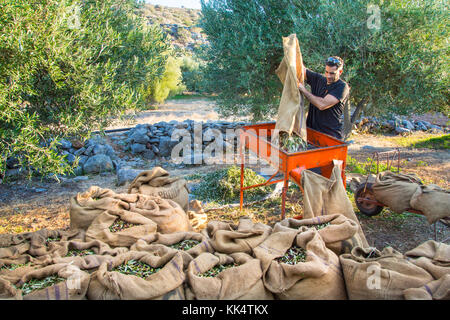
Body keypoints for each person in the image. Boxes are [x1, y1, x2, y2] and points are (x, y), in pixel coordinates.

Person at [298, 56, 350, 140]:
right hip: (311, 134)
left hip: (330, 138)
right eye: (326, 72)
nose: (328, 76)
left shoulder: (342, 87)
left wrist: (304, 91)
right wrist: (293, 49)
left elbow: (322, 104)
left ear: (340, 72)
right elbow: (301, 69)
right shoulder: (319, 79)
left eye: (332, 73)